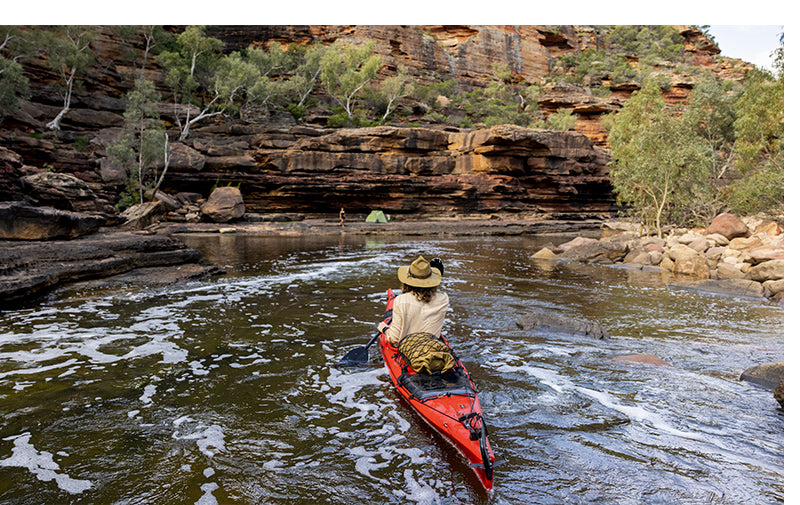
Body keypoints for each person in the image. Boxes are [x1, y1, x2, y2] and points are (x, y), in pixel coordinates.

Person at [378, 255, 449, 347]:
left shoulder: (400, 301)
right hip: (431, 347)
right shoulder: (444, 299)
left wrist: (384, 328)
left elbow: (394, 338)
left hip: (409, 350)